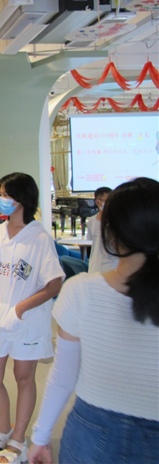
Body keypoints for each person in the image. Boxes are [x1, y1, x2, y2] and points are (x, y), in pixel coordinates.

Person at [28, 177, 159, 464]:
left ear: (110, 233)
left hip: (91, 432)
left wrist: (40, 436)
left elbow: (63, 376)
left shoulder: (81, 290)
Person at [0, 173, 64, 464]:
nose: (1, 199)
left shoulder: (39, 238)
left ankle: (18, 440)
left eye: (6, 194)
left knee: (23, 377)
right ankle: (3, 430)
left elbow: (54, 284)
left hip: (27, 321)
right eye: (1, 193)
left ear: (22, 199)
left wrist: (21, 308)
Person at [86, 186, 117, 273]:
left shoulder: (116, 221)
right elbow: (90, 242)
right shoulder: (92, 221)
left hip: (112, 268)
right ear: (97, 202)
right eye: (107, 200)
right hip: (95, 267)